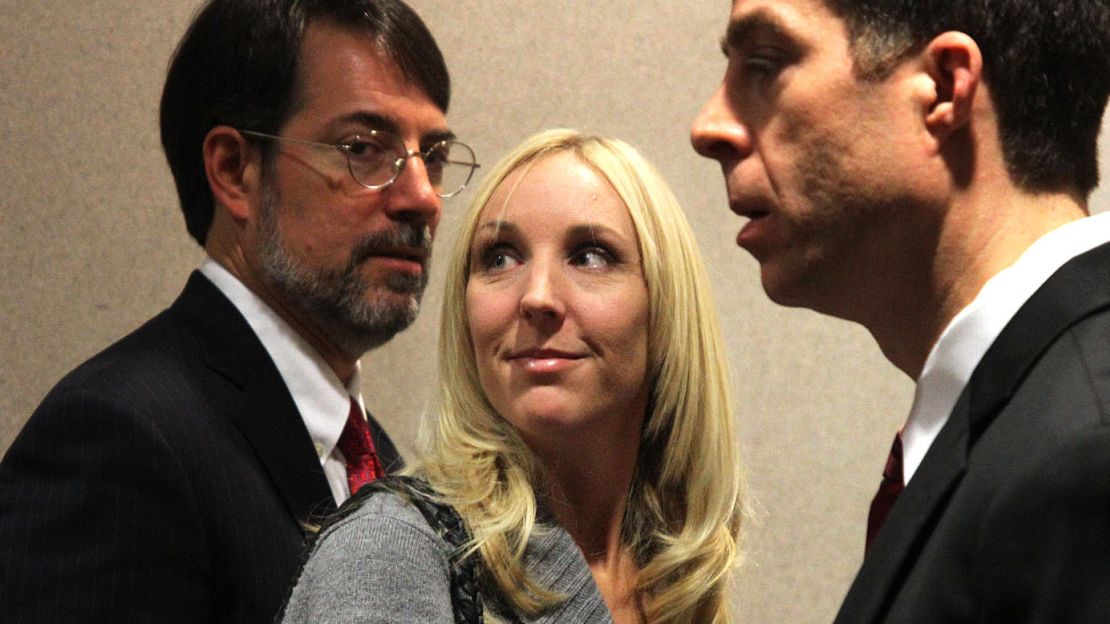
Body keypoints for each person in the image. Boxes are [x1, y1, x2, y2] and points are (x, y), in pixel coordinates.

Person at [0, 0, 478, 622]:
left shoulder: (382, 463)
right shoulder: (120, 437)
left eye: (433, 155)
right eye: (364, 148)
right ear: (234, 171)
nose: (421, 198)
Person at [691, 0, 1110, 622]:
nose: (709, 127)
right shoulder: (1028, 424)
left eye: (764, 63)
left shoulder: (1084, 455)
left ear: (942, 88)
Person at [280, 129, 745, 624]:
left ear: (667, 308)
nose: (537, 296)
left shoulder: (678, 577)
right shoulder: (393, 552)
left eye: (590, 255)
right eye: (500, 257)